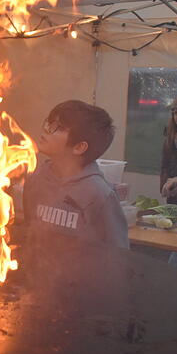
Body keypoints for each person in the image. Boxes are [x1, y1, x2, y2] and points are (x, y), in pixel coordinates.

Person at [22, 100, 129, 249]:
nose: (47, 130)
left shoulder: (99, 194)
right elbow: (29, 233)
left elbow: (118, 255)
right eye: (49, 122)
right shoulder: (36, 180)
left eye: (58, 128)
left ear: (79, 147)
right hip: (40, 270)